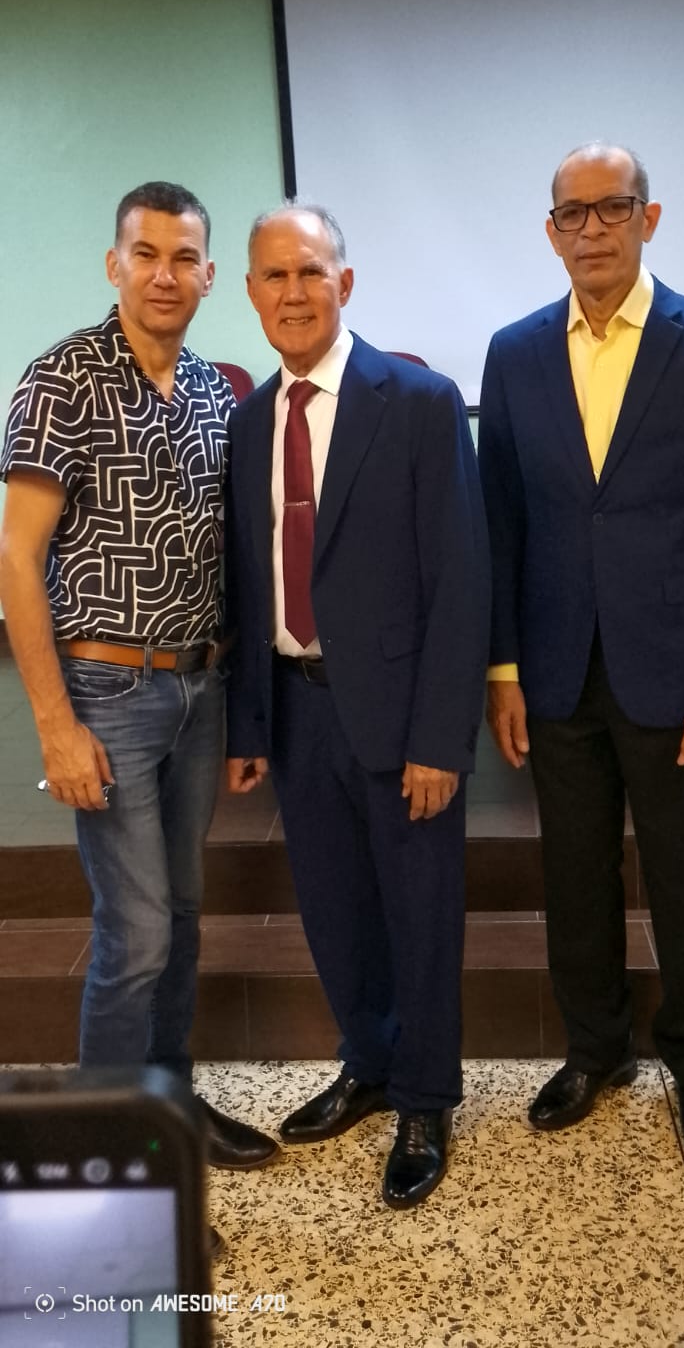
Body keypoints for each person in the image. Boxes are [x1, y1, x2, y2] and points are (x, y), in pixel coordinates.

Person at [0, 181, 278, 1182]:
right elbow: (16, 558)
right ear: (114, 264)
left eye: (184, 257)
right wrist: (55, 725)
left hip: (200, 692)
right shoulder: (61, 379)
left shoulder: (215, 391)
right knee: (139, 931)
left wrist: (241, 709)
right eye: (146, 254)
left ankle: (166, 1105)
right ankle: (103, 1154)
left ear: (210, 275)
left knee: (183, 916)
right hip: (106, 696)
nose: (166, 274)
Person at [225, 203, 489, 1209]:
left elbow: (461, 580)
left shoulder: (419, 401)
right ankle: (369, 1064)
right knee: (336, 913)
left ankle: (425, 1097)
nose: (293, 292)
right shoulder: (251, 420)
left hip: (401, 712)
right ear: (251, 292)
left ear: (345, 282)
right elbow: (249, 582)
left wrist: (441, 737)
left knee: (419, 914)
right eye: (274, 275)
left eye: (310, 272)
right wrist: (251, 723)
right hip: (298, 713)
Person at [478, 142, 684, 1166]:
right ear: (551, 233)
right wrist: (502, 670)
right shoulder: (515, 352)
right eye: (571, 215)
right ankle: (596, 1049)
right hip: (555, 665)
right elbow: (501, 522)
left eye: (611, 208)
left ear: (648, 218)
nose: (592, 230)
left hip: (676, 665)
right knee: (573, 872)